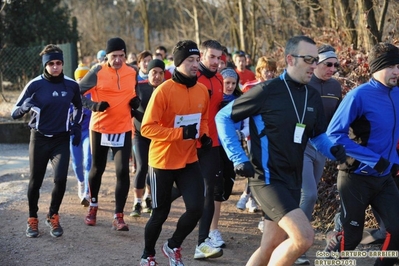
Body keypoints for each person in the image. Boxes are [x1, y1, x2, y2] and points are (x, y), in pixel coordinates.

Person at [215, 35, 346, 265]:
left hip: (292, 180)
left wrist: (334, 152)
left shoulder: (312, 95)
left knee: (270, 246)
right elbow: (223, 117)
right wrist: (238, 156)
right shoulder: (267, 90)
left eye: (316, 59)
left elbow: (317, 136)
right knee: (304, 238)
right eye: (308, 59)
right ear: (290, 59)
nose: (314, 65)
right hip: (267, 179)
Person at [325, 42, 399, 266]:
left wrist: (394, 162)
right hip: (355, 177)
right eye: (391, 66)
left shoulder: (397, 94)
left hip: (384, 178)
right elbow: (334, 135)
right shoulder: (359, 96)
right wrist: (373, 160)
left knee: (397, 230)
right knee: (352, 237)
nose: (397, 71)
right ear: (376, 67)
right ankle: (330, 258)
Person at [139, 40, 212, 266]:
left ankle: (172, 245)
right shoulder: (163, 91)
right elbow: (147, 127)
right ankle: (147, 255)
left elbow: (205, 119)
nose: (195, 64)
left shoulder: (202, 90)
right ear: (178, 63)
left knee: (196, 208)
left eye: (197, 60)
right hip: (162, 161)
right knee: (160, 214)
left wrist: (204, 135)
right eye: (190, 60)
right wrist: (179, 133)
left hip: (189, 159)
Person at [11, 44, 83, 238]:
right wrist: (24, 107)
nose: (55, 67)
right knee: (35, 181)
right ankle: (32, 218)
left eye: (59, 63)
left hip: (61, 138)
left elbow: (79, 106)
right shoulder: (35, 85)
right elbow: (14, 113)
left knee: (60, 179)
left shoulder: (71, 85)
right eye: (51, 63)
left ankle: (52, 215)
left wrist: (75, 126)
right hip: (40, 138)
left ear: (62, 64)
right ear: (45, 65)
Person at [79, 37, 139, 231]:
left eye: (122, 56)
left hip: (123, 128)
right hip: (100, 128)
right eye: (114, 56)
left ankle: (118, 215)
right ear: (107, 56)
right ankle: (93, 206)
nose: (119, 60)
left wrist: (135, 102)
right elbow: (77, 93)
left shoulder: (132, 72)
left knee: (122, 171)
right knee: (98, 168)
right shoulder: (97, 71)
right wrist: (93, 106)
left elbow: (133, 93)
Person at [172, 39, 225, 260]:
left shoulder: (221, 79)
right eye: (211, 56)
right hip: (187, 143)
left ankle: (202, 243)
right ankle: (157, 197)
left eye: (219, 57)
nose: (215, 61)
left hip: (212, 143)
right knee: (188, 188)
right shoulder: (194, 78)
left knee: (209, 190)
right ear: (201, 56)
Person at [296, 45, 342, 265]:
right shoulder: (303, 83)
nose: (332, 69)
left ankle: (288, 231)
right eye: (327, 64)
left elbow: (339, 118)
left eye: (335, 65)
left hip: (322, 146)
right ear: (315, 63)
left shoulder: (335, 86)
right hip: (302, 146)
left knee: (306, 196)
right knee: (309, 195)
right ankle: (299, 245)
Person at [210, 67, 249, 249]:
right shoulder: (214, 99)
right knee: (216, 190)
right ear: (221, 82)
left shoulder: (241, 100)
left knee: (226, 190)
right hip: (214, 147)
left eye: (233, 83)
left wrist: (241, 133)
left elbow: (248, 123)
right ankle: (213, 231)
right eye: (227, 83)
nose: (230, 86)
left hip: (232, 150)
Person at [237, 56, 278, 215]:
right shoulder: (249, 87)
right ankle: (248, 195)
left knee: (265, 168)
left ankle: (250, 196)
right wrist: (243, 131)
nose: (269, 74)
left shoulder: (277, 87)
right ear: (260, 70)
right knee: (255, 165)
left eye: (272, 71)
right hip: (252, 133)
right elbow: (242, 110)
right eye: (267, 71)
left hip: (271, 134)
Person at [130, 59, 166, 217]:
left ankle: (148, 198)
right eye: (154, 72)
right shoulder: (139, 86)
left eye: (160, 73)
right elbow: (128, 107)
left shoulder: (167, 89)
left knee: (154, 168)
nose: (157, 76)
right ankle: (137, 202)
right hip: (139, 135)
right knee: (142, 166)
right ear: (148, 73)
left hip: (158, 137)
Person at [71, 63, 92, 207]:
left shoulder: (93, 93)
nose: (81, 80)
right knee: (77, 163)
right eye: (79, 78)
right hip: (74, 132)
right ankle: (81, 181)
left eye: (84, 77)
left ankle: (87, 192)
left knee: (88, 160)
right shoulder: (70, 93)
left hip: (89, 132)